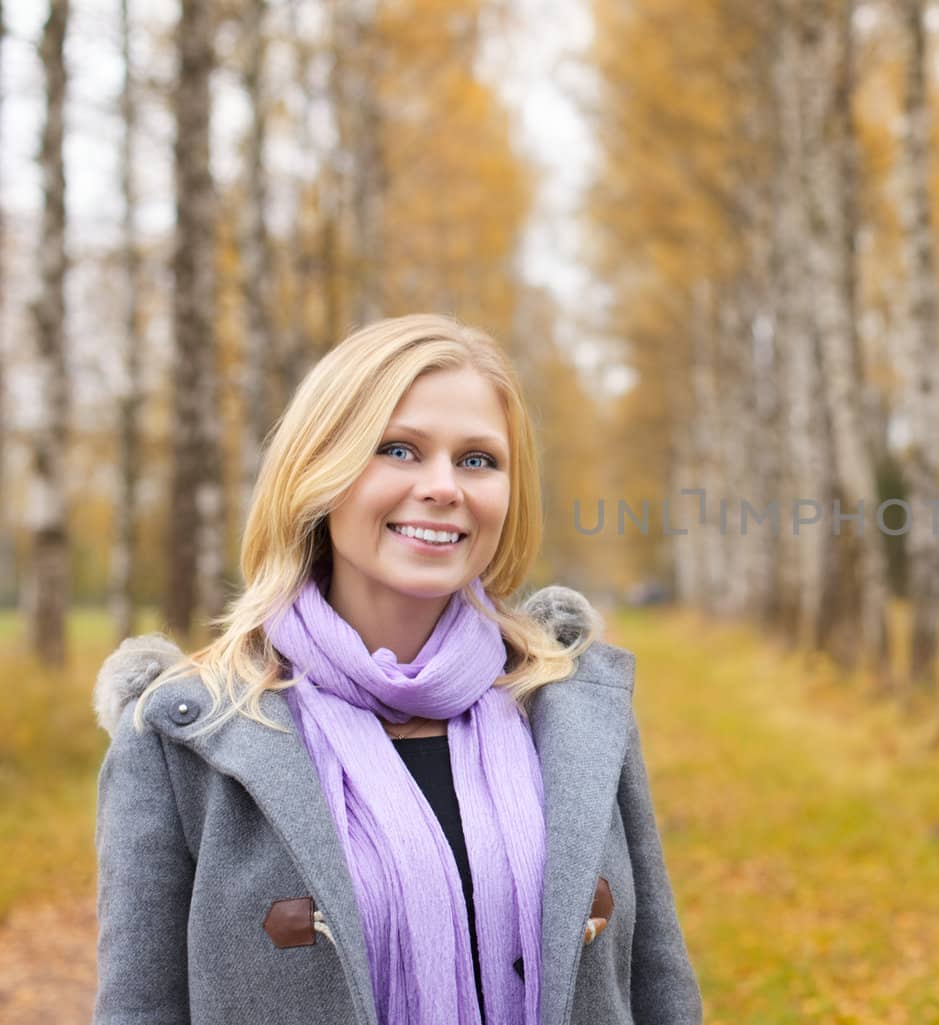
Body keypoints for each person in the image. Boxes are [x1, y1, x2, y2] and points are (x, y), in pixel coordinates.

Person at [91, 314, 702, 1025]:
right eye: (399, 449)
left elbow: (659, 985)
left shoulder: (568, 704)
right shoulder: (185, 737)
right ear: (321, 470)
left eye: (478, 459)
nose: (444, 486)